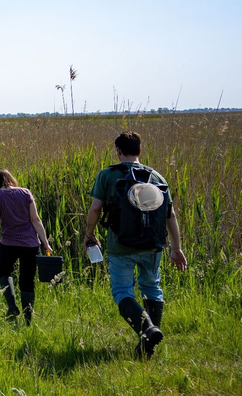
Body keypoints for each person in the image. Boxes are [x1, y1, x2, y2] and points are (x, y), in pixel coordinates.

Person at [84, 131, 187, 357]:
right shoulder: (158, 178)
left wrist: (89, 234)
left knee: (122, 292)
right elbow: (170, 215)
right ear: (140, 151)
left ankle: (148, 330)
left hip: (120, 246)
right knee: (152, 289)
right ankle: (147, 345)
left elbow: (95, 209)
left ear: (118, 151)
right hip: (153, 246)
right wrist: (176, 248)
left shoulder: (108, 175)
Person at [0, 167, 52, 324]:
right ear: (9, 177)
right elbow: (35, 220)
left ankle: (12, 307)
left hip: (8, 243)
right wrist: (46, 243)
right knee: (27, 280)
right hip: (30, 243)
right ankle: (28, 320)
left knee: (3, 273)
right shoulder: (25, 192)